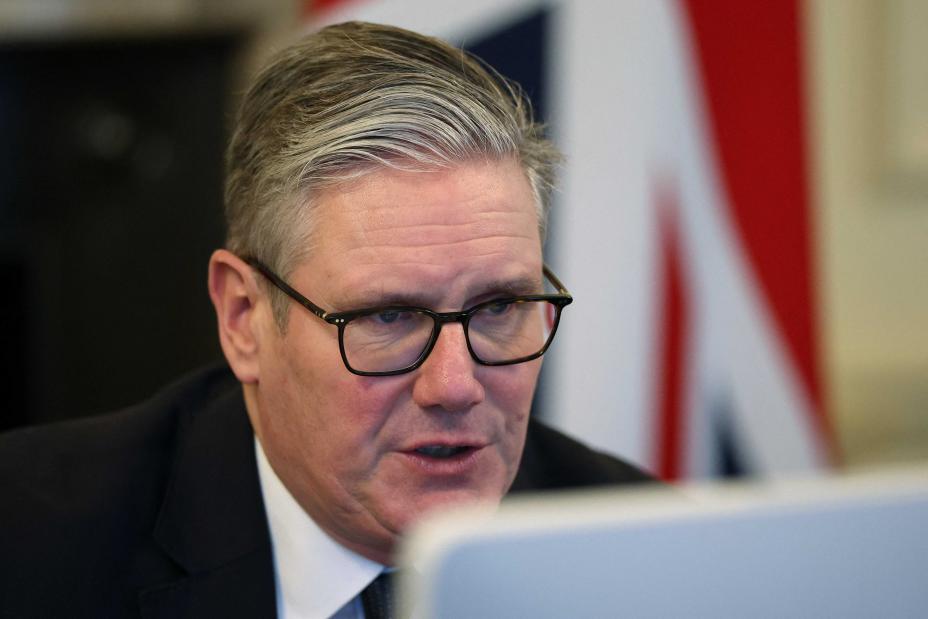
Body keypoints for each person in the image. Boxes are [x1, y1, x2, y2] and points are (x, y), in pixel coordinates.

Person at [0, 21, 651, 619]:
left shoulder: (641, 552)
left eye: (500, 307)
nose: (455, 386)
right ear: (244, 316)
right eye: (388, 316)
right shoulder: (28, 546)